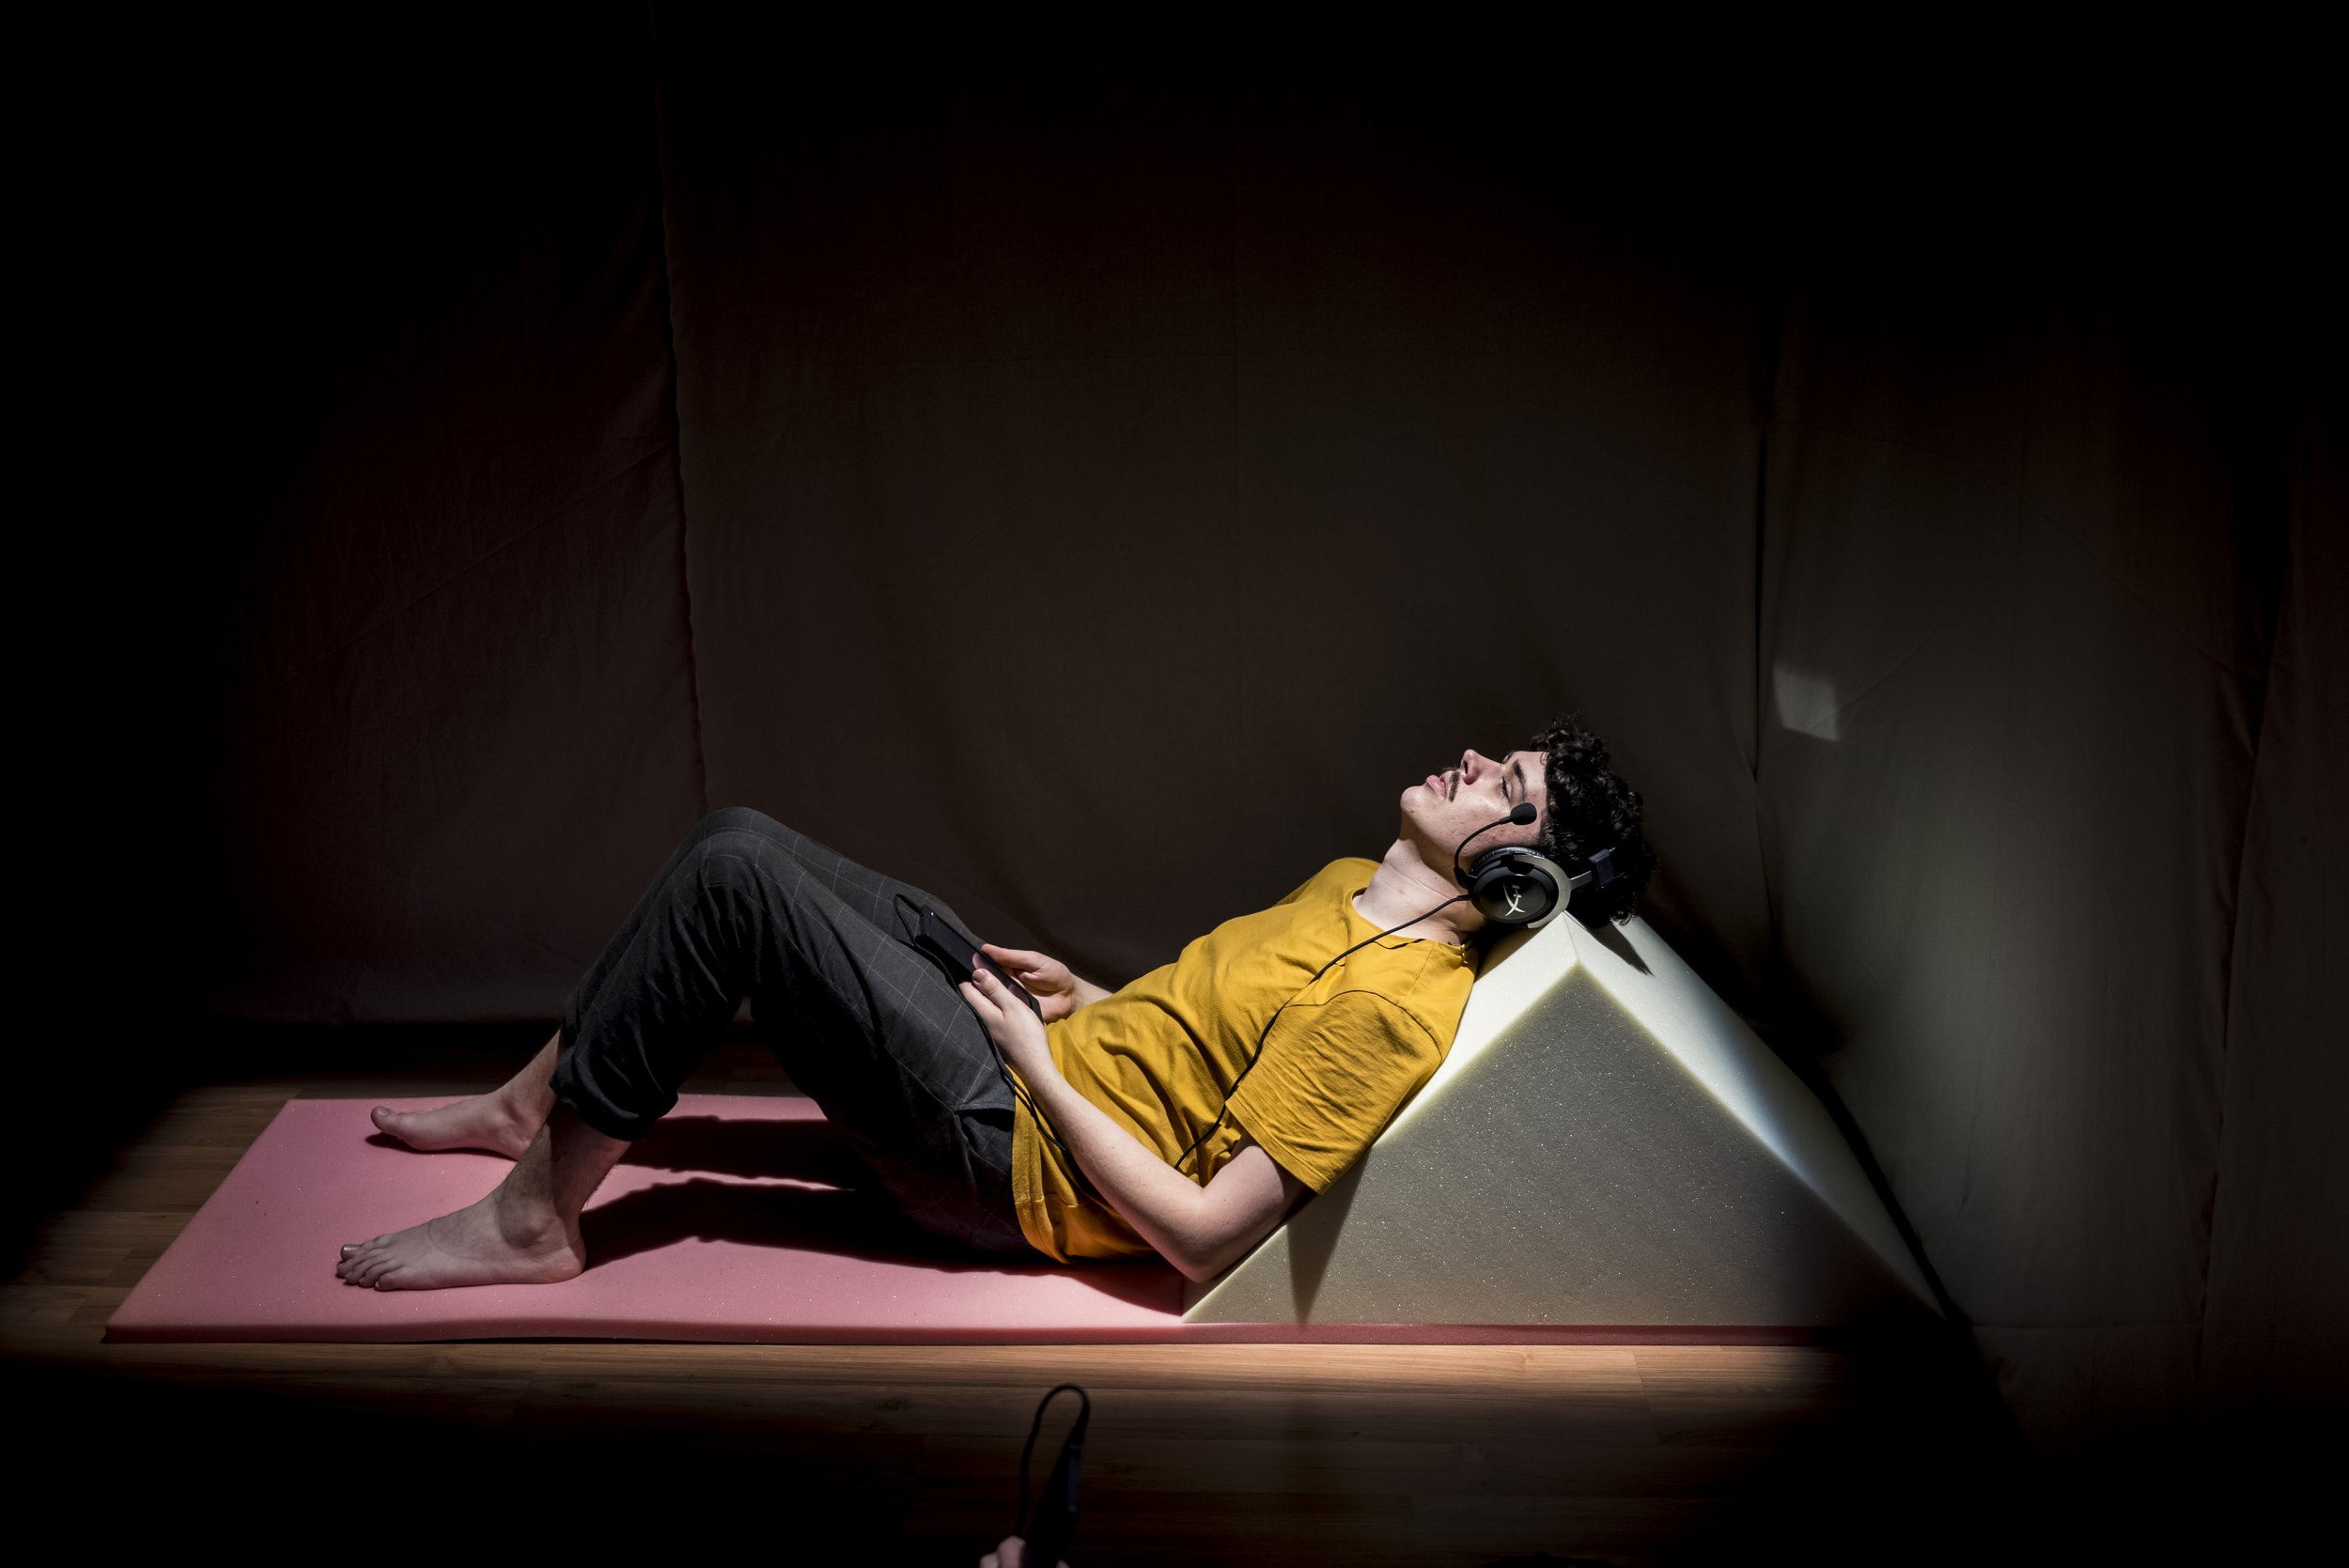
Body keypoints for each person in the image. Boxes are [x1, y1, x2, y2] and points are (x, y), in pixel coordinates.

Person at [334, 716, 1654, 1290]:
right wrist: (1088, 1000)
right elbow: (1212, 1047)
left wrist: (1048, 1068)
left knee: (734, 888)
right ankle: (533, 1109)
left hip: (1014, 1160)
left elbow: (1205, 1237)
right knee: (740, 835)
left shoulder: (1392, 1006)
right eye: (1501, 759)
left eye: (1508, 788)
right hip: (1040, 1063)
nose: (1473, 762)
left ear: (1520, 882)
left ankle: (533, 1224)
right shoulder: (1354, 883)